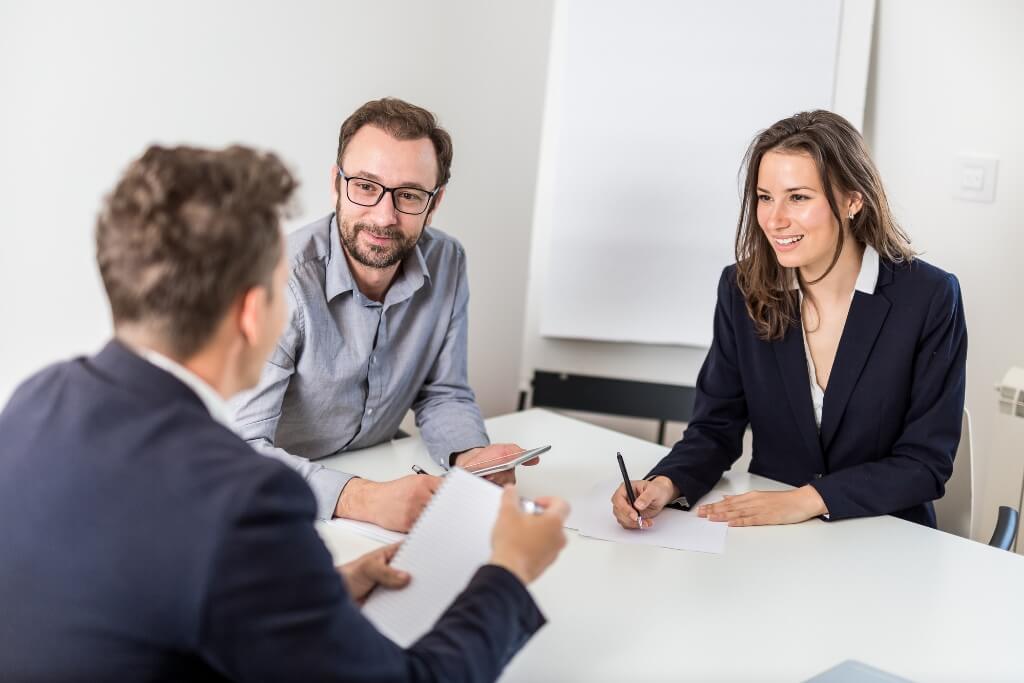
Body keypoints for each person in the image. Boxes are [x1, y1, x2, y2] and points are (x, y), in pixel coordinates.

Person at [0, 145, 568, 681]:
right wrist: (509, 571)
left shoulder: (36, 401)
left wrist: (326, 589)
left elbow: (143, 598)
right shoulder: (248, 503)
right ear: (253, 312)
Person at [612, 110, 967, 529]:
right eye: (765, 197)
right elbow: (715, 427)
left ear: (853, 200)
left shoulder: (928, 297)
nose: (775, 219)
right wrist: (665, 484)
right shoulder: (741, 287)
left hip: (885, 533)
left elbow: (925, 462)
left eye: (798, 197)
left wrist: (809, 500)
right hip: (775, 538)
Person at [231, 97, 537, 530]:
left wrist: (470, 455)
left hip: (381, 471)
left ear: (434, 203)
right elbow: (240, 451)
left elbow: (443, 391)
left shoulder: (448, 261)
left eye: (409, 195)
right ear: (336, 183)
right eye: (365, 186)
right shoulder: (278, 282)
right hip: (283, 502)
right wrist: (363, 499)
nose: (383, 216)